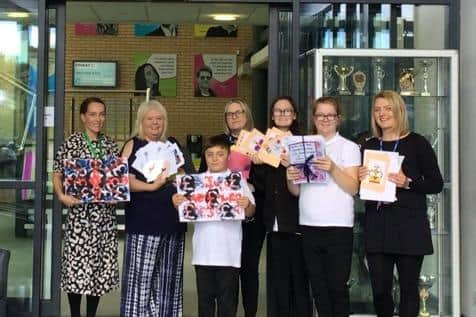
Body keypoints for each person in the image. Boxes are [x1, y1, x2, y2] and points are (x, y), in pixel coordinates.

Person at [358, 90, 443, 317]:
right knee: (380, 291)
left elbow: (436, 183)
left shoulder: (417, 143)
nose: (382, 114)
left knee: (408, 291)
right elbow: (361, 190)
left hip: (409, 228)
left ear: (399, 111)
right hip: (378, 227)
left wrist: (408, 183)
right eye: (377, 109)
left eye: (387, 109)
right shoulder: (368, 145)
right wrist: (359, 178)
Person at [286, 96, 361, 317]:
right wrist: (290, 177)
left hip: (338, 227)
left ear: (339, 119)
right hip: (309, 225)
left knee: (337, 288)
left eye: (330, 115)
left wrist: (333, 168)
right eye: (320, 115)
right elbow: (296, 191)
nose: (325, 119)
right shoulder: (302, 146)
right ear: (314, 118)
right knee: (318, 289)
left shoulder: (349, 147)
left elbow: (353, 188)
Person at [120, 100, 194, 317]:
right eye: (150, 119)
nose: (155, 123)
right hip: (143, 222)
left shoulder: (173, 144)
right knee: (140, 281)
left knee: (168, 281)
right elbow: (124, 181)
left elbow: (186, 175)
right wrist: (153, 186)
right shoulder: (133, 144)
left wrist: (178, 178)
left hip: (173, 224)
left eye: (159, 118)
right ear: (141, 122)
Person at [172, 135, 256, 317]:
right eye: (210, 154)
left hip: (229, 255)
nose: (215, 158)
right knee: (205, 304)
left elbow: (251, 212)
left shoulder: (237, 181)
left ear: (228, 156)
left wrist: (246, 205)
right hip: (203, 254)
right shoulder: (195, 182)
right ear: (205, 157)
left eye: (220, 154)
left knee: (227, 305)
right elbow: (186, 209)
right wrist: (178, 201)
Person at [52, 97, 119, 317]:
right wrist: (62, 195)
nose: (98, 119)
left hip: (104, 218)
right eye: (93, 114)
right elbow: (57, 173)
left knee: (97, 270)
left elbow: (115, 179)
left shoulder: (109, 144)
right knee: (76, 268)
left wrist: (115, 195)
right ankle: (74, 314)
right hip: (80, 218)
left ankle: (91, 314)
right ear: (83, 117)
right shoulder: (71, 143)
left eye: (101, 114)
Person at [253, 96, 312, 317]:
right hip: (273, 221)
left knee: (299, 280)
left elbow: (312, 179)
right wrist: (258, 163)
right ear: (272, 115)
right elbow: (260, 186)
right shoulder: (264, 144)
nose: (282, 114)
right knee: (278, 282)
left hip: (297, 220)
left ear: (295, 115)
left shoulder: (304, 143)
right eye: (278, 111)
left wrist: (293, 163)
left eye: (287, 111)